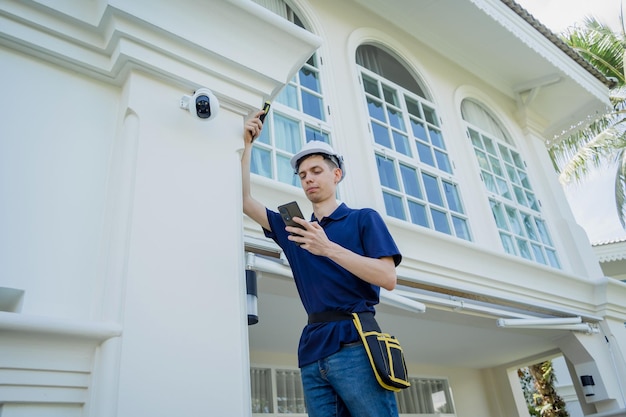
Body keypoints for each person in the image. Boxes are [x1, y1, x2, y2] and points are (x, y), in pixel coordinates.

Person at [241, 110, 402, 417]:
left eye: (316, 170)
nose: (309, 179)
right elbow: (244, 199)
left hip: (355, 343)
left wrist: (328, 248)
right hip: (312, 350)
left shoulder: (362, 219)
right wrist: (247, 144)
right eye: (302, 175)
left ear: (336, 175)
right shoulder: (295, 230)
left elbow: (387, 276)